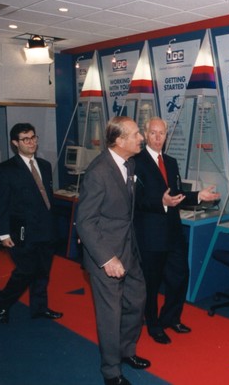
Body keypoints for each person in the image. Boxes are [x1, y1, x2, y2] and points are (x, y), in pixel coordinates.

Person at [75, 116, 150, 385]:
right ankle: (111, 372)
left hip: (130, 250)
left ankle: (126, 351)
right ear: (119, 141)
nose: (141, 137)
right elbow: (85, 221)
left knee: (137, 300)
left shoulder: (128, 163)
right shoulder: (98, 172)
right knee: (111, 313)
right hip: (106, 255)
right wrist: (107, 258)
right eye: (135, 134)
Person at [133, 117, 220, 345]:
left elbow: (178, 193)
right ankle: (153, 325)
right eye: (153, 133)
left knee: (179, 277)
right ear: (145, 134)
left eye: (162, 133)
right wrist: (161, 202)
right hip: (151, 236)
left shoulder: (170, 162)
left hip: (173, 233)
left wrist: (199, 196)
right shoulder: (136, 162)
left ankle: (170, 318)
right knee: (151, 284)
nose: (158, 137)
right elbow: (135, 200)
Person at [0, 123, 63, 324]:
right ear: (15, 143)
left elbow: (46, 198)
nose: (31, 142)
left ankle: (39, 308)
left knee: (42, 272)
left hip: (46, 229)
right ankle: (2, 302)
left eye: (33, 137)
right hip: (22, 232)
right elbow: (1, 204)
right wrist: (3, 234)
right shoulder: (6, 169)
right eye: (25, 139)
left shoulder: (45, 165)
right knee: (25, 271)